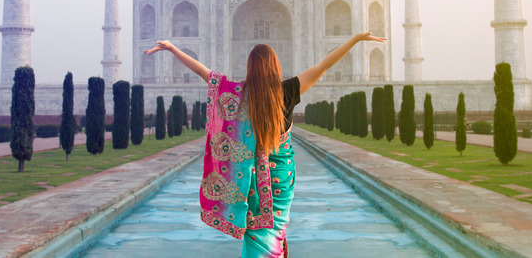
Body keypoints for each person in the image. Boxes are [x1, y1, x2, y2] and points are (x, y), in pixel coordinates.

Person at [144, 32, 385, 257]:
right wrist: (355, 40)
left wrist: (173, 48)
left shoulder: (237, 94)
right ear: (275, 66)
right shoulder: (287, 91)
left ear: (250, 67)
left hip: (250, 185)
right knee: (276, 233)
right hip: (282, 178)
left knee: (255, 236)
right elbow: (323, 66)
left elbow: (206, 74)